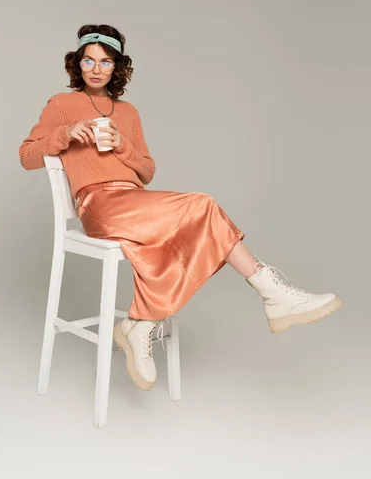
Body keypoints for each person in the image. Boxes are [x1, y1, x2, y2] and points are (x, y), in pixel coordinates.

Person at [19, 24, 342, 392]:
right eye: (88, 60)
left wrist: (123, 144)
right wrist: (65, 134)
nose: (95, 68)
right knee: (202, 207)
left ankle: (140, 324)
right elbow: (27, 156)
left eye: (105, 62)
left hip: (135, 201)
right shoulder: (62, 105)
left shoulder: (128, 111)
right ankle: (271, 292)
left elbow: (147, 171)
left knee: (177, 234)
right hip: (99, 204)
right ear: (77, 64)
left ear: (116, 67)